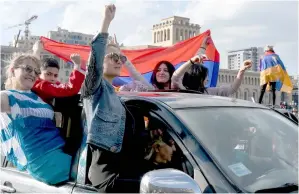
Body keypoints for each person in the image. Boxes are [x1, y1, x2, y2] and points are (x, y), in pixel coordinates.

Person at [81, 4, 133, 192]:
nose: (119, 60)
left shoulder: (119, 96)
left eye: (121, 57)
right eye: (113, 56)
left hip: (125, 167)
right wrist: (106, 22)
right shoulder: (94, 89)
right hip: (105, 172)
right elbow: (94, 61)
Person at [0, 53, 71, 185]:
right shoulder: (7, 96)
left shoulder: (37, 97)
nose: (32, 74)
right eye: (27, 69)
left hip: (60, 150)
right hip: (44, 161)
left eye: (36, 71)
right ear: (13, 71)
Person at [172, 36, 252, 96]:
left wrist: (241, 71)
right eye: (206, 77)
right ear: (200, 79)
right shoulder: (184, 91)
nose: (207, 80)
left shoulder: (209, 92)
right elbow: (175, 77)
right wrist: (191, 61)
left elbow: (231, 89)